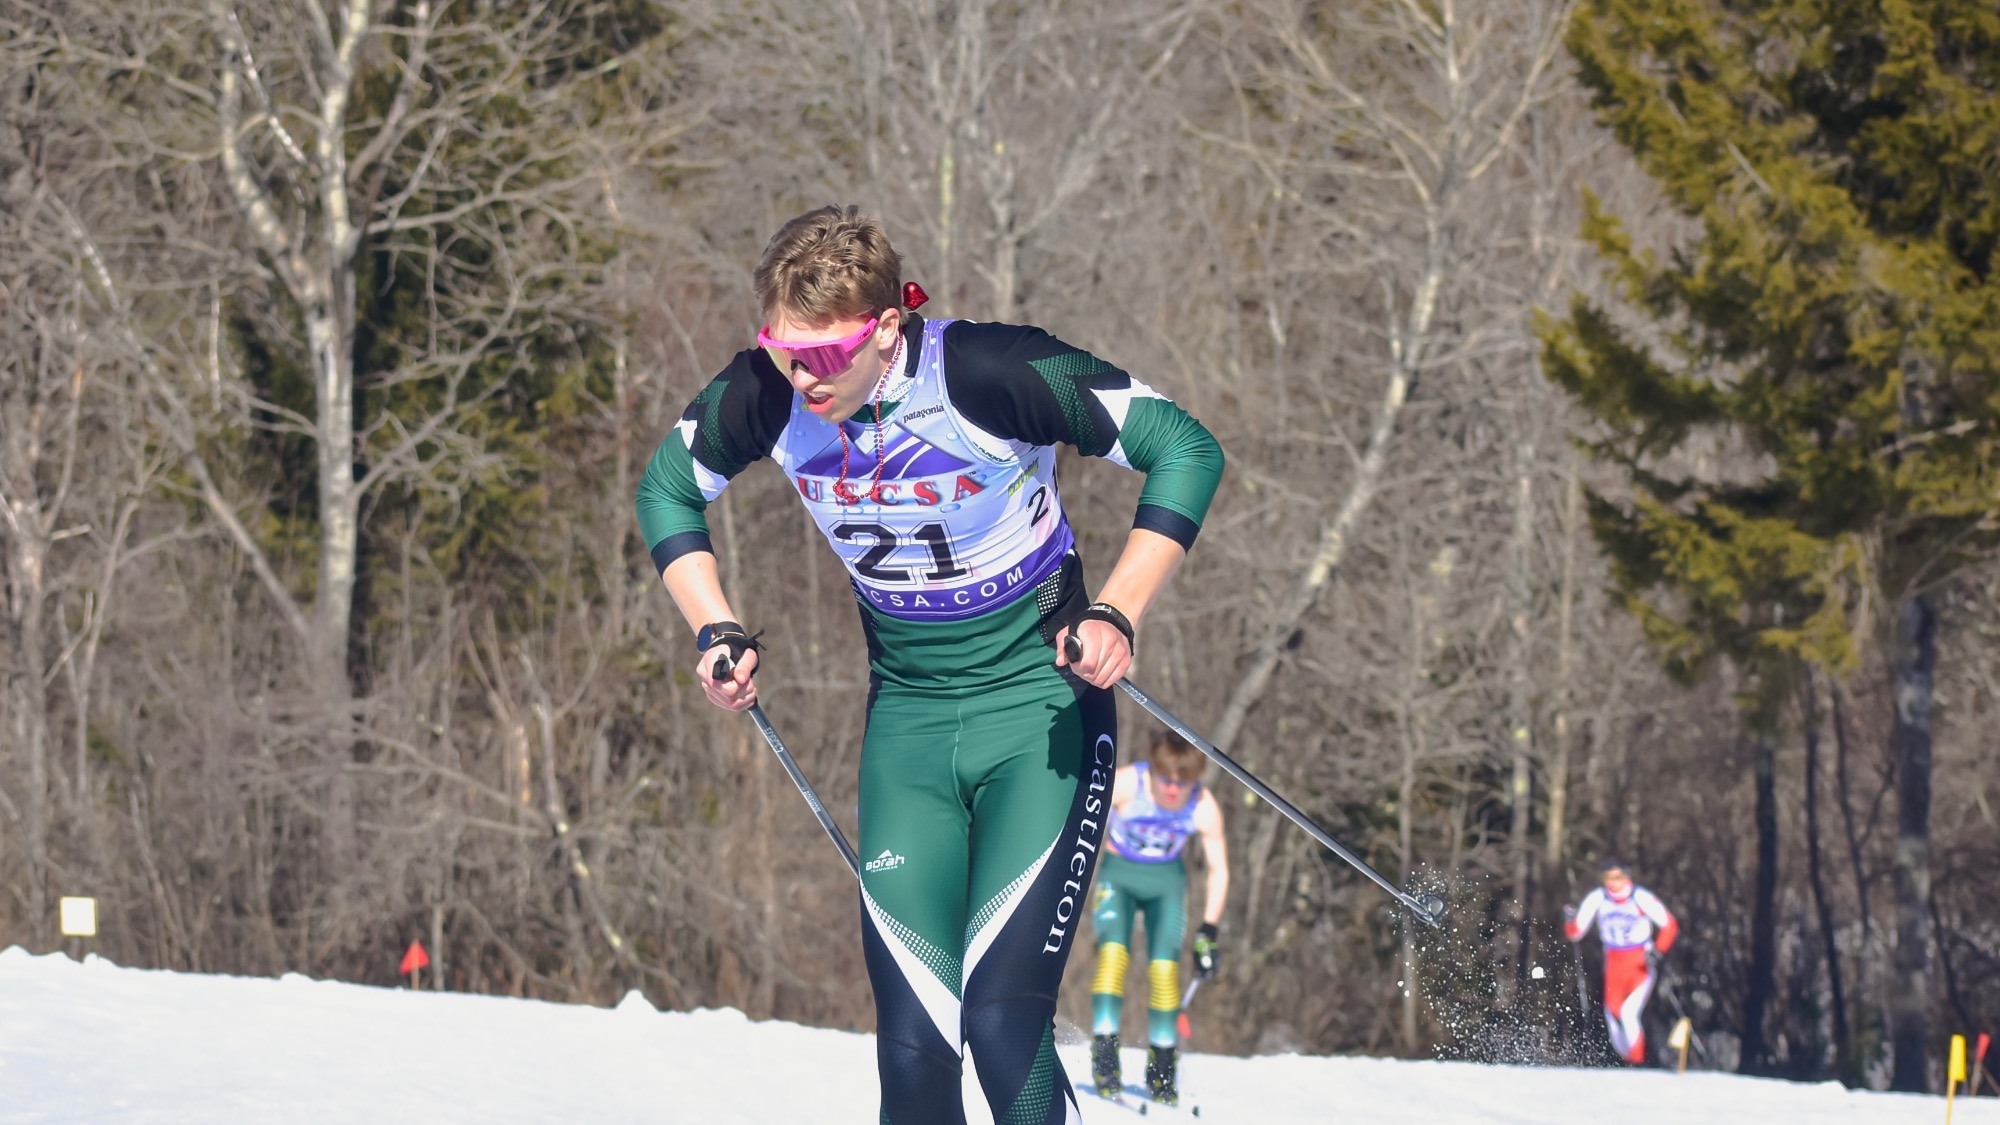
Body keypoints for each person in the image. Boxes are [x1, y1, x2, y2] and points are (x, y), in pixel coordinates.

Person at [634, 205, 1224, 1124]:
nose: (800, 377)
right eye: (782, 350)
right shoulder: (764, 392)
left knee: (999, 1025)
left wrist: (1116, 609)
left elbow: (1183, 446)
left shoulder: (990, 372)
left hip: (1041, 717)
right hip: (909, 726)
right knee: (912, 1056)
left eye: (822, 357)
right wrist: (715, 627)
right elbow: (667, 486)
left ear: (885, 330)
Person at [1087, 730, 1229, 1106]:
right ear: (1154, 771)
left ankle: (1162, 1068)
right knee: (1113, 957)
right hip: (1119, 875)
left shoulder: (1202, 805)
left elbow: (1219, 870)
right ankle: (1105, 1055)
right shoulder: (1128, 782)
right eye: (1166, 779)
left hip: (1166, 883)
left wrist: (1209, 930)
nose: (1172, 790)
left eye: (1182, 783)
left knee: (1164, 969)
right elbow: (1082, 822)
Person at [1564, 859, 1678, 1065]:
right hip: (1614, 964)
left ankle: (1637, 1062)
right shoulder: (1597, 898)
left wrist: (1658, 951)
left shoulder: (1639, 897)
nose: (1612, 883)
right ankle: (1627, 1061)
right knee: (1613, 1015)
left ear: (1627, 877)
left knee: (1628, 1013)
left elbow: (1669, 925)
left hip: (1639, 963)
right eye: (1607, 878)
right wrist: (1569, 920)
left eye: (1617, 877)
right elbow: (1575, 934)